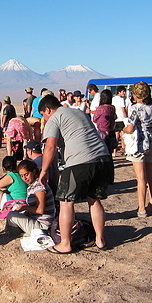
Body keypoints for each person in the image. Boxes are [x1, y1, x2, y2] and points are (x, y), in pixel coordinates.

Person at [39, 94, 113, 253]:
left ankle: (65, 244)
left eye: (43, 115)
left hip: (79, 162)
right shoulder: (79, 112)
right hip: (103, 158)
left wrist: (44, 171)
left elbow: (50, 146)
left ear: (47, 110)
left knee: (66, 201)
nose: (44, 119)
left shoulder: (54, 118)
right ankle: (100, 240)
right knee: (94, 199)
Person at [123, 81, 152, 218]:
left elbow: (131, 127)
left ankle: (141, 208)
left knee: (140, 178)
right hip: (151, 142)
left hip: (139, 144)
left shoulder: (135, 108)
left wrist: (124, 130)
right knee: (150, 175)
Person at [5, 159, 57, 235]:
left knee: (11, 215)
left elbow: (40, 210)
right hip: (36, 220)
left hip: (43, 226)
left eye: (26, 174)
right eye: (22, 176)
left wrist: (24, 208)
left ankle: (11, 232)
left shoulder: (39, 186)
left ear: (33, 172)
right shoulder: (31, 186)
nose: (24, 178)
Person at [92, 89, 118, 154]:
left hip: (102, 131)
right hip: (111, 131)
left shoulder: (100, 108)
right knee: (110, 150)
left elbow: (94, 119)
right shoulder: (112, 108)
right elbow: (115, 117)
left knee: (102, 151)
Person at [112, 86, 130, 153]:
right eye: (123, 91)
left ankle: (114, 151)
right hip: (121, 119)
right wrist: (126, 117)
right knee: (123, 135)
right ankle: (124, 149)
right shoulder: (121, 99)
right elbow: (123, 109)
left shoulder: (113, 99)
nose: (124, 93)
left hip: (115, 119)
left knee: (116, 135)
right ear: (119, 92)